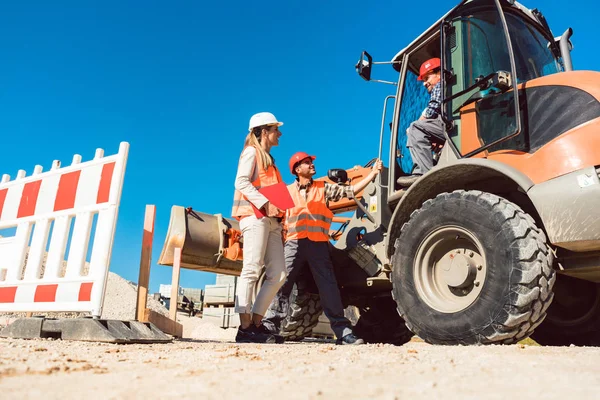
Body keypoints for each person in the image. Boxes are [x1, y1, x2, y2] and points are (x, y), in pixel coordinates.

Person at [263, 152, 383, 345]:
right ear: (297, 169)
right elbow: (267, 210)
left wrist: (372, 175)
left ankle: (343, 333)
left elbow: (350, 191)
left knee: (329, 287)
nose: (311, 165)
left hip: (318, 245)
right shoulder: (286, 191)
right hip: (293, 244)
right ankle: (269, 328)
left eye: (311, 162)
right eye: (307, 163)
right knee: (282, 285)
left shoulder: (323, 188)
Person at [231, 112, 287, 344]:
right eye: (276, 129)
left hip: (271, 221)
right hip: (253, 217)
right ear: (264, 132)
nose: (280, 133)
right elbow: (241, 181)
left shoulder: (270, 161)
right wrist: (266, 204)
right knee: (252, 269)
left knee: (279, 274)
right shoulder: (251, 153)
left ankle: (255, 323)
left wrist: (282, 214)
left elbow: (275, 191)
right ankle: (245, 328)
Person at [397, 57, 447, 187]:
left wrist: (414, 128)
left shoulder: (441, 84)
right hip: (448, 126)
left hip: (449, 124)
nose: (424, 83)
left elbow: (432, 109)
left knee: (415, 128)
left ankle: (422, 173)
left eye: (427, 78)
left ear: (440, 73)